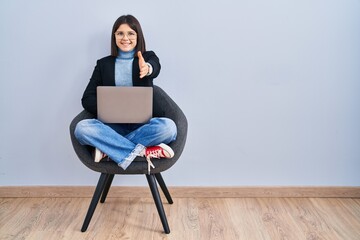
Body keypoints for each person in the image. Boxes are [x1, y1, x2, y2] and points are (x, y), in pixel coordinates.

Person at [74, 15, 177, 173]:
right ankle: (142, 152)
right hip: (112, 129)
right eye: (120, 33)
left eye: (131, 33)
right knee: (81, 128)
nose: (125, 38)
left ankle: (108, 150)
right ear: (114, 36)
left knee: (169, 128)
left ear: (138, 36)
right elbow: (87, 99)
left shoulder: (147, 57)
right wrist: (110, 108)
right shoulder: (103, 64)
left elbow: (154, 67)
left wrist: (147, 68)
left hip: (143, 127)